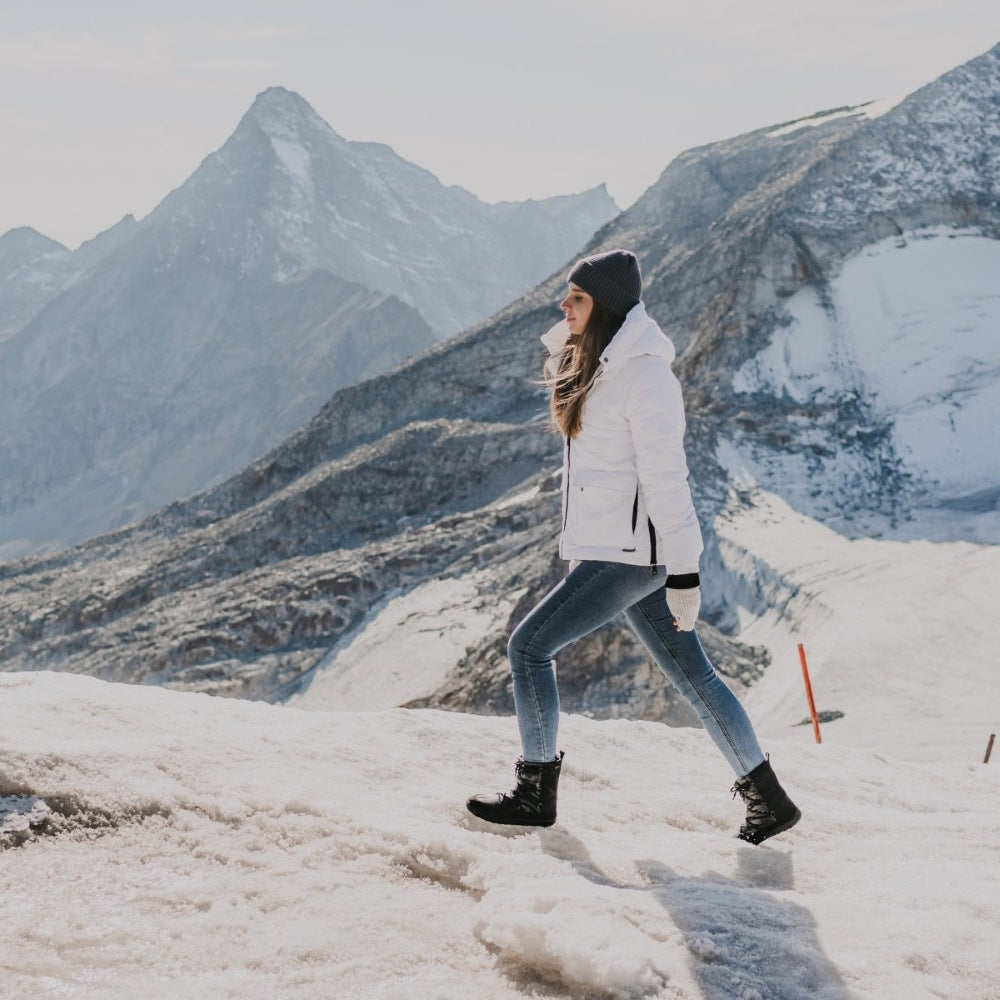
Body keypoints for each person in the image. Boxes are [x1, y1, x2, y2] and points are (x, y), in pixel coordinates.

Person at [466, 248, 801, 845]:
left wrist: (685, 571)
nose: (563, 306)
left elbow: (667, 476)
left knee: (528, 649)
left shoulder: (645, 377)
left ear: (610, 307)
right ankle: (767, 800)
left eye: (578, 298)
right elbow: (570, 346)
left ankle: (535, 792)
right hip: (623, 551)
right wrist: (580, 321)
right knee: (695, 678)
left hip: (632, 556)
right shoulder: (603, 364)